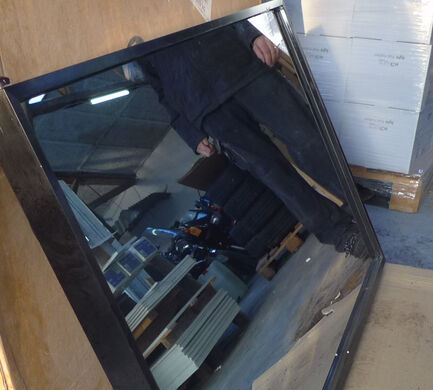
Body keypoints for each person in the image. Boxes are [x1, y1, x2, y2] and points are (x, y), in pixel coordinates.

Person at [137, 22, 362, 252]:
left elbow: (222, 6)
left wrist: (251, 35)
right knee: (274, 174)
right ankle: (339, 233)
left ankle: (359, 198)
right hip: (204, 108)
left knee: (306, 138)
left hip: (239, 64)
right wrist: (189, 133)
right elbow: (160, 89)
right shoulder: (129, 25)